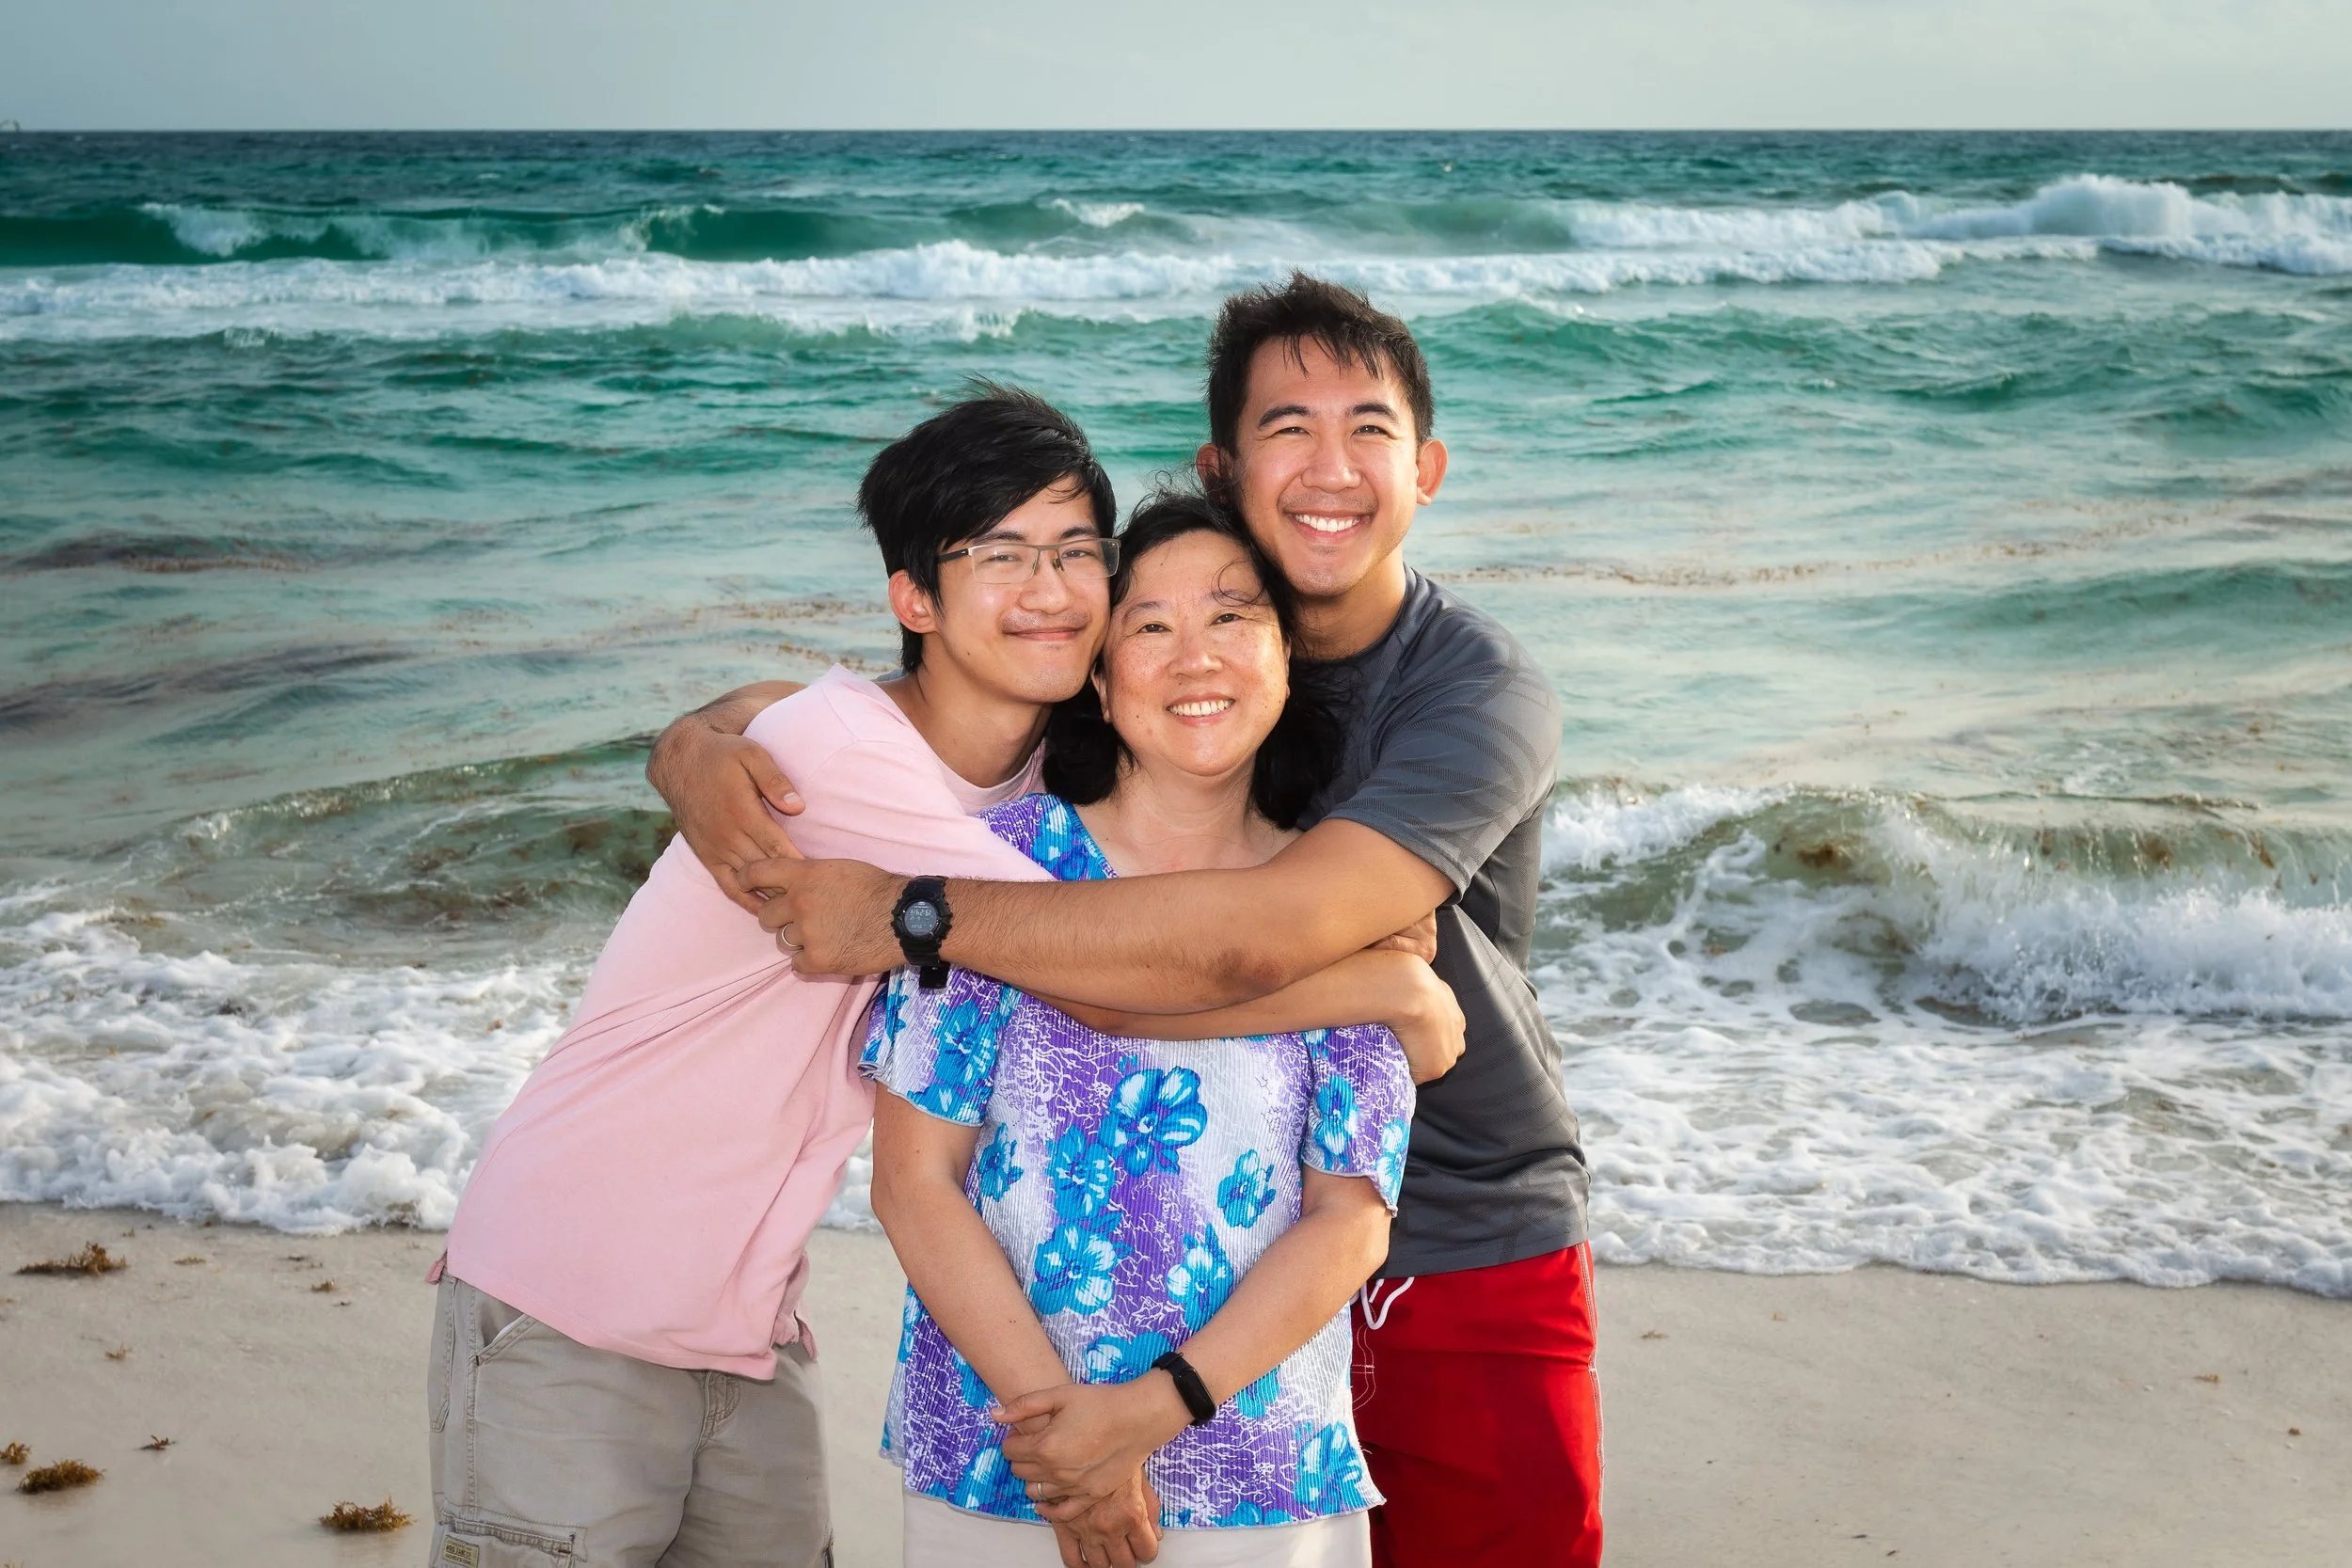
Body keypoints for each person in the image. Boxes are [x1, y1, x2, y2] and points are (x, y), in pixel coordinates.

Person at [426, 384, 1465, 1568]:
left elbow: (1139, 944)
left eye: (1078, 551)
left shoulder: (1015, 796)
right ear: (914, 596)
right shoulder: (846, 769)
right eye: (1002, 553)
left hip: (742, 1321)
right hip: (566, 1292)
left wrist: (695, 730)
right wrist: (1388, 990)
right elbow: (1121, 975)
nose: (1051, 587)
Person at [652, 277, 1602, 1568]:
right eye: (1286, 427)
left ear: (1426, 465)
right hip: (1199, 1289)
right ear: (1223, 466)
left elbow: (1251, 941)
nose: (1330, 467)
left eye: (1368, 427)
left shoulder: (1476, 691)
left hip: (1460, 1218)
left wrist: (912, 915)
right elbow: (924, 695)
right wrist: (698, 739)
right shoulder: (1138, 707)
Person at [867, 490, 1411, 1568]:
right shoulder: (995, 873)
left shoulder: (1338, 894)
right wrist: (1067, 1442)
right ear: (1102, 682)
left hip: (1261, 1466)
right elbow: (913, 1179)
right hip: (1004, 1458)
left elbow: (1350, 1214)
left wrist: (1158, 1408)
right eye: (1149, 626)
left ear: (1286, 659)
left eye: (1231, 617)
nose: (1192, 657)